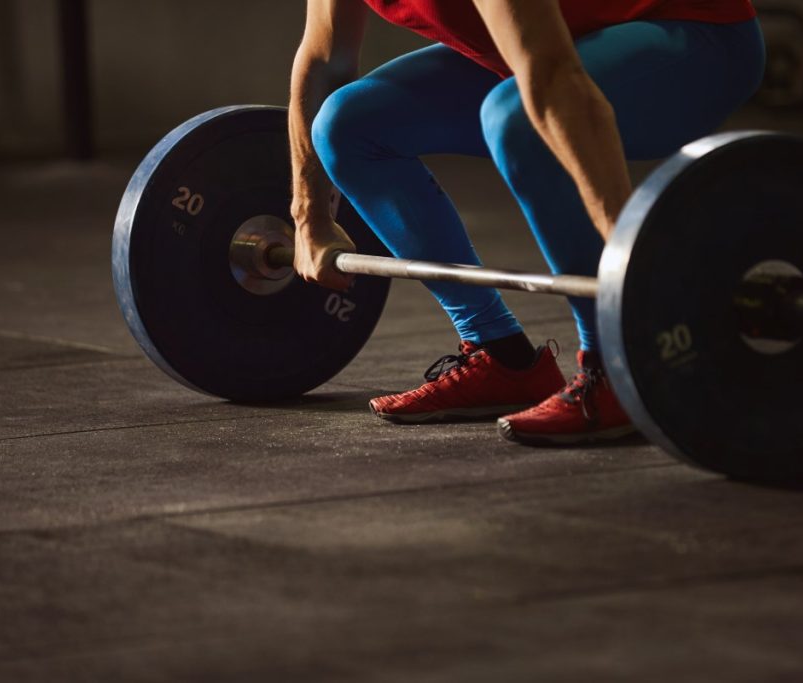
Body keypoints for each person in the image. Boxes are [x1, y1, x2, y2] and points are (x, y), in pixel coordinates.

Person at [288, 0, 764, 445]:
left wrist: (630, 253)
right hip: (550, 49)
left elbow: (555, 79)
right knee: (347, 124)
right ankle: (501, 357)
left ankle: (620, 365)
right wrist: (309, 215)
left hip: (694, 41)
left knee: (515, 118)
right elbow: (323, 58)